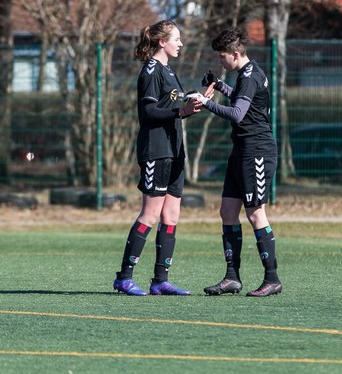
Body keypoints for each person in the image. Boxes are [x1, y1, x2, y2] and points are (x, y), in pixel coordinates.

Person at [189, 27, 282, 297]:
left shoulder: (251, 76)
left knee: (255, 213)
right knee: (228, 212)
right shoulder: (245, 74)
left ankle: (272, 278)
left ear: (235, 54)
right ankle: (232, 277)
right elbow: (244, 102)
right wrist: (218, 85)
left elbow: (238, 114)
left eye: (222, 57)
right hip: (241, 150)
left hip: (257, 152)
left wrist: (204, 102)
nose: (220, 61)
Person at [112, 20, 202, 296]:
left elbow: (172, 103)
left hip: (175, 150)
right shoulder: (151, 70)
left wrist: (195, 98)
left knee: (171, 214)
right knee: (150, 214)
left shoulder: (169, 71)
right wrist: (182, 112)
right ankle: (124, 277)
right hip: (156, 150)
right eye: (176, 38)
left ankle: (160, 280)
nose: (181, 43)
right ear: (162, 42)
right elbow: (150, 112)